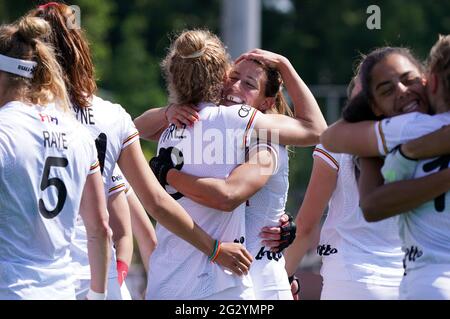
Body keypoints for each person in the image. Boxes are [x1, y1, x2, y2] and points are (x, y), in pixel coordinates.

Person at [30, 2, 253, 291]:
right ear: (80, 48)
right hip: (100, 278)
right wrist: (214, 249)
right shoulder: (112, 117)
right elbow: (156, 204)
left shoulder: (15, 119)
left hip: (32, 277)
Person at [134, 29, 326, 300]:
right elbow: (134, 129)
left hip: (259, 278)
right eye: (233, 77)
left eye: (249, 84)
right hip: (228, 274)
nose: (236, 87)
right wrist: (168, 112)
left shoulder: (264, 139)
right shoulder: (207, 123)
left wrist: (166, 173)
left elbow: (228, 196)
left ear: (267, 102)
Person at [321, 36, 450, 299]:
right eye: (386, 90)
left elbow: (330, 137)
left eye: (409, 79)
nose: (402, 90)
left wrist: (407, 149)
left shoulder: (402, 129)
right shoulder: (391, 137)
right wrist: (409, 151)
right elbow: (371, 206)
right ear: (375, 107)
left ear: (429, 79)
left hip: (426, 280)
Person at [0, 16, 110, 299]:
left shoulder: (5, 130)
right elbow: (99, 228)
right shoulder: (78, 134)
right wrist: (97, 295)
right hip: (62, 291)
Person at [284, 69, 407, 300]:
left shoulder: (334, 143)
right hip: (407, 279)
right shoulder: (417, 143)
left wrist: (284, 279)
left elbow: (306, 226)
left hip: (351, 276)